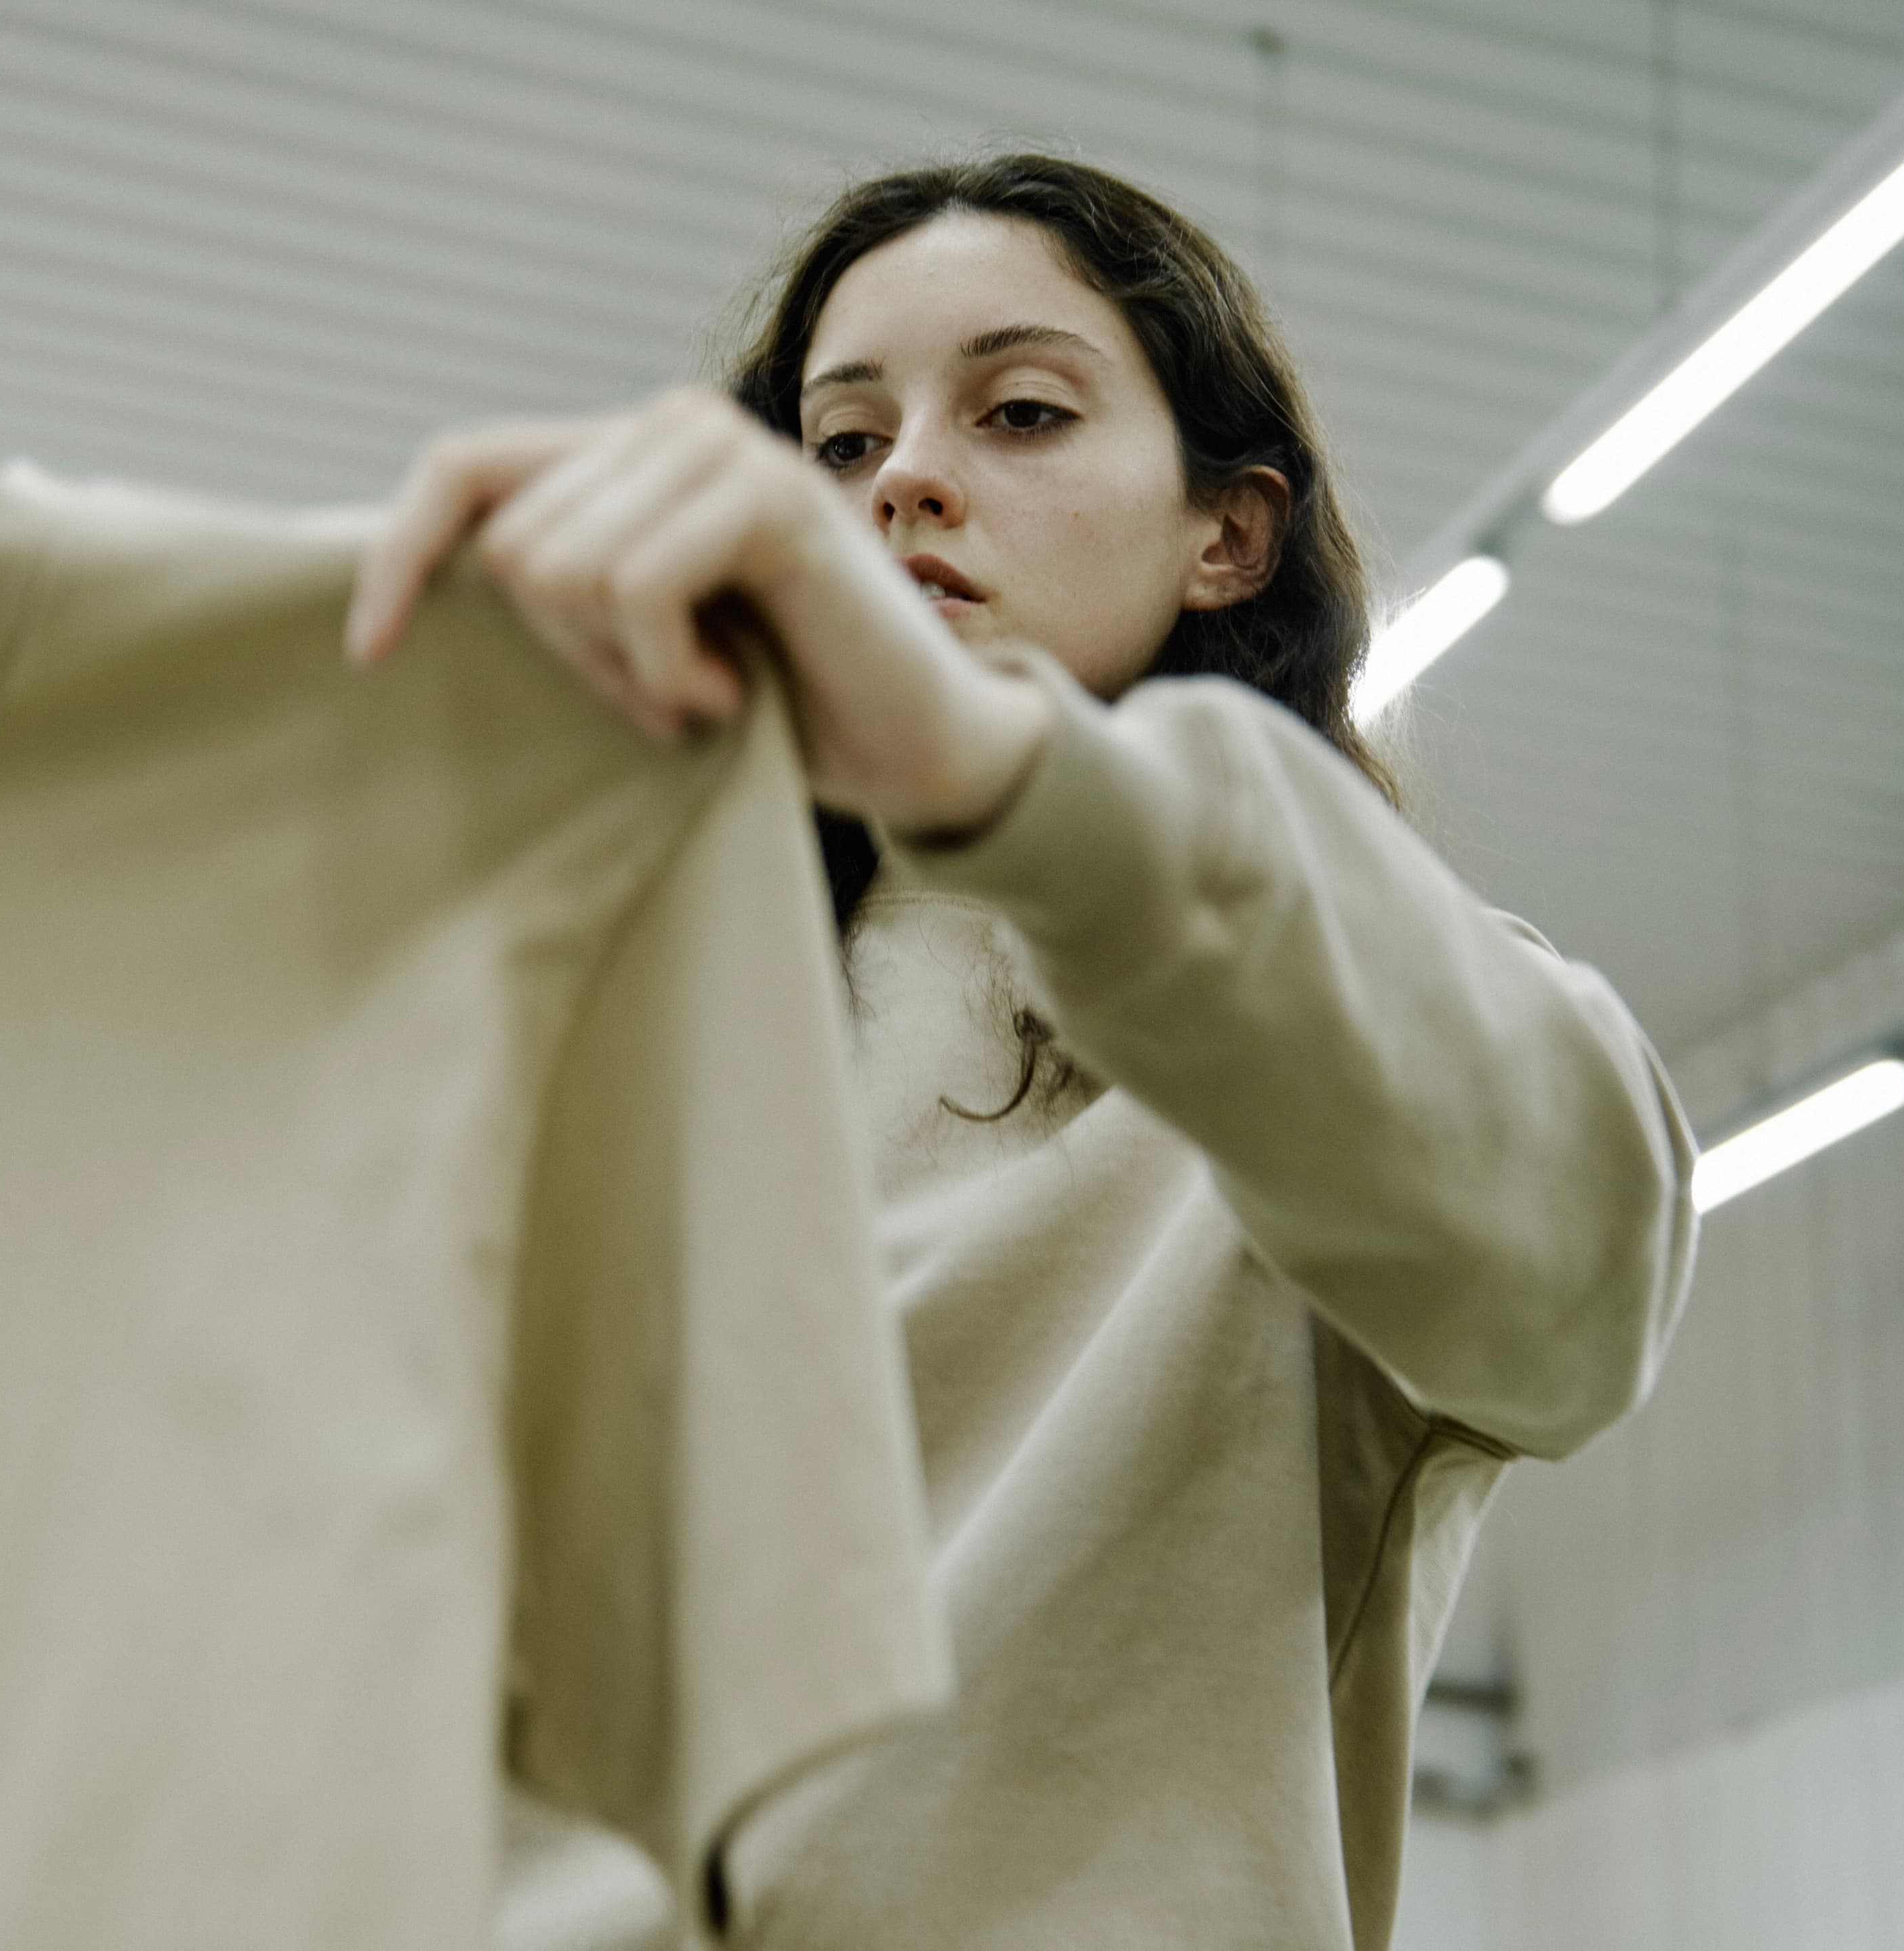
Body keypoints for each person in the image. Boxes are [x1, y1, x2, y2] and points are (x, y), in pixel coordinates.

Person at [346, 153, 1697, 1951]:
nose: (903, 479)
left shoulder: (1325, 1040)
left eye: (1024, 412)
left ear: (1228, 533)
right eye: (837, 444)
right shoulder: (597, 1054)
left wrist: (997, 777)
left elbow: (1581, 1263)